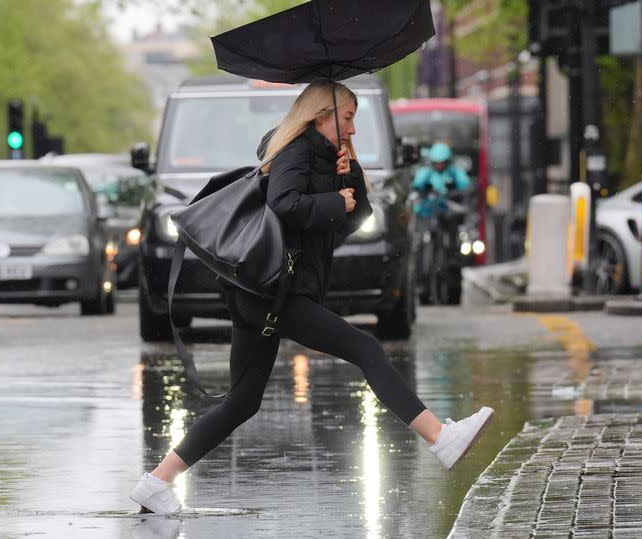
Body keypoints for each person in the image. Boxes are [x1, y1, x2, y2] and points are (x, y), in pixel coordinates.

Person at [129, 81, 494, 514]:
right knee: (365, 347)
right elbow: (285, 203)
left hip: (261, 293)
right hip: (274, 292)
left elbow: (352, 218)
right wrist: (332, 199)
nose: (353, 128)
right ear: (321, 115)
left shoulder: (323, 156)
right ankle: (440, 437)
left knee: (242, 402)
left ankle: (155, 482)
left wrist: (350, 173)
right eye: (347, 118)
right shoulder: (294, 151)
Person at [411, 142, 471, 219]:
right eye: (437, 163)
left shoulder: (454, 171)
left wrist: (453, 190)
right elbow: (416, 188)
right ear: (432, 161)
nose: (440, 166)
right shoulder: (426, 172)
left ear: (447, 161)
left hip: (450, 211)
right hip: (428, 211)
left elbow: (465, 186)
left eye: (442, 163)